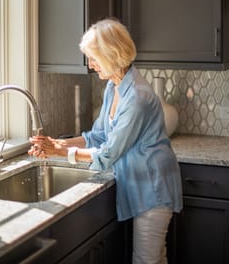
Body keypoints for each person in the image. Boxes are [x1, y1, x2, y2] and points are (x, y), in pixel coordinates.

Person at [29, 18, 183, 264]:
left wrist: (60, 152)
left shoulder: (137, 98)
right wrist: (58, 143)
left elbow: (108, 154)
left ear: (111, 54)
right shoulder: (114, 87)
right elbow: (98, 136)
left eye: (93, 58)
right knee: (154, 259)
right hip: (138, 181)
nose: (90, 65)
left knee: (147, 260)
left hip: (153, 187)